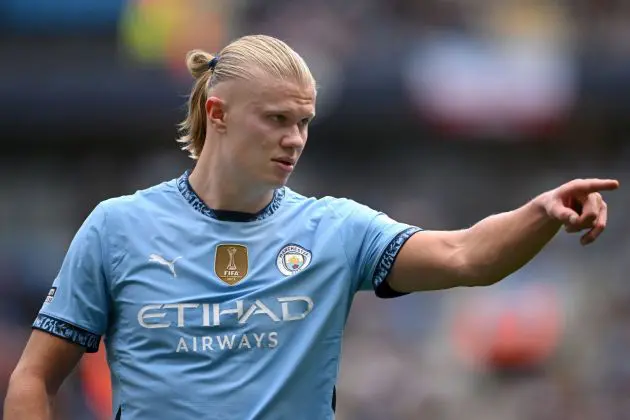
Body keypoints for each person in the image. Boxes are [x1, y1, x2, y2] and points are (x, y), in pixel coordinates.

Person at [4, 34, 619, 420]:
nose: (294, 139)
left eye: (304, 122)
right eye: (276, 119)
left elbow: (466, 256)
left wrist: (540, 213)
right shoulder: (118, 227)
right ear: (217, 114)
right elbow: (33, 380)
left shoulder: (335, 229)